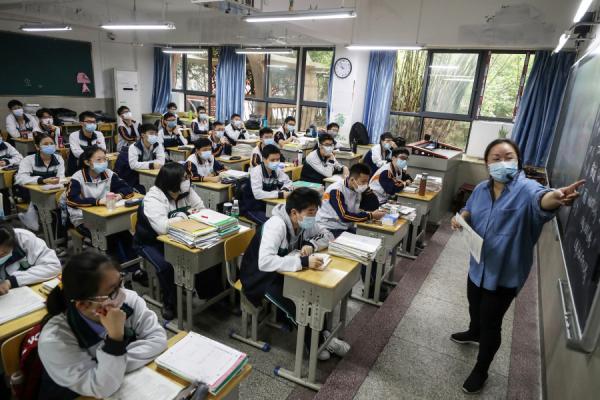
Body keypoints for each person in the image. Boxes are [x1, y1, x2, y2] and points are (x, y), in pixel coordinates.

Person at [449, 138, 584, 394]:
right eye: (495, 158)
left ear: (518, 160)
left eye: (508, 157)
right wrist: (462, 218)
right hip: (477, 265)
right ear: (487, 163)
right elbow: (469, 208)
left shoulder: (527, 189)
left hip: (505, 274)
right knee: (474, 305)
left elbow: (542, 200)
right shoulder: (481, 189)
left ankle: (482, 368)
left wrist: (556, 197)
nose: (502, 163)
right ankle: (473, 331)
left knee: (492, 322)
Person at [38, 251, 167, 399]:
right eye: (112, 292)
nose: (122, 294)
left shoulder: (128, 301)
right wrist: (115, 339)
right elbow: (102, 387)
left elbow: (158, 339)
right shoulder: (55, 341)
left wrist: (111, 366)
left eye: (120, 282)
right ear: (84, 305)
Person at [240, 188, 350, 361]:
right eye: (310, 212)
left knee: (314, 294)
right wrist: (303, 262)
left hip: (285, 271)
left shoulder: (305, 220)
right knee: (299, 302)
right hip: (260, 277)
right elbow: (265, 262)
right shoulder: (276, 225)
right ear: (294, 212)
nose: (314, 218)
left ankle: (323, 334)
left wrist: (312, 245)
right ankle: (314, 343)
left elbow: (328, 235)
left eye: (315, 212)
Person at [134, 162, 214, 320]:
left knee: (206, 253)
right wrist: (184, 216)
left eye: (187, 177)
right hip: (151, 242)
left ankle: (208, 293)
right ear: (171, 181)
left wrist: (184, 218)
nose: (188, 181)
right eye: (184, 178)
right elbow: (162, 228)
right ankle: (170, 302)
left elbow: (202, 209)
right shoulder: (154, 197)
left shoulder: (186, 191)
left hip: (180, 237)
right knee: (167, 266)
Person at [65, 146, 137, 264]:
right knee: (110, 237)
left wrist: (119, 195)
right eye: (99, 160)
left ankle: (133, 268)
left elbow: (127, 189)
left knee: (125, 234)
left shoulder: (108, 173)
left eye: (105, 159)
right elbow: (72, 200)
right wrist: (97, 202)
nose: (103, 163)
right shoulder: (77, 177)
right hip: (83, 219)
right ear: (87, 162)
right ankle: (118, 269)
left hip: (107, 216)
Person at [316, 163, 386, 237]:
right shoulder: (336, 190)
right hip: (330, 228)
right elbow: (344, 216)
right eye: (363, 181)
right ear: (352, 179)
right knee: (362, 242)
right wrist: (370, 216)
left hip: (345, 226)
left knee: (369, 236)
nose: (365, 184)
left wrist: (368, 191)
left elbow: (373, 207)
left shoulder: (357, 188)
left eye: (367, 182)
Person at [15, 133, 65, 231]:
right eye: (46, 144)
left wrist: (59, 182)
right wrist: (41, 180)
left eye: (51, 143)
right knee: (53, 210)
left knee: (61, 207)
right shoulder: (28, 160)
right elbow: (20, 178)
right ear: (37, 147)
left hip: (52, 192)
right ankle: (53, 236)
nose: (50, 146)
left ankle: (59, 237)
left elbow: (61, 178)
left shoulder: (58, 158)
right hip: (31, 193)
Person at [0, 223, 61, 295]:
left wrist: (12, 281)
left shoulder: (24, 238)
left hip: (33, 290)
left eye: (4, 253)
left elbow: (53, 266)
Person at [241, 144, 292, 225]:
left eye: (278, 159)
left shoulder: (276, 170)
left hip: (268, 205)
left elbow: (288, 182)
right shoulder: (256, 172)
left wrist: (284, 190)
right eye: (272, 160)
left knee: (287, 221)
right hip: (252, 207)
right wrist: (280, 194)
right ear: (264, 159)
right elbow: (258, 194)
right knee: (273, 225)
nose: (276, 162)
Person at [114, 123, 165, 194]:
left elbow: (161, 162)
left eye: (156, 134)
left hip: (144, 173)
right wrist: (151, 165)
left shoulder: (158, 145)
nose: (154, 136)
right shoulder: (134, 147)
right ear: (142, 135)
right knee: (141, 189)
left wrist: (145, 164)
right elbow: (133, 165)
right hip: (129, 175)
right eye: (151, 133)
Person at [67, 111, 106, 176]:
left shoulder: (99, 134)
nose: (92, 124)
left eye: (94, 122)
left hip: (95, 165)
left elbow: (103, 150)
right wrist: (95, 156)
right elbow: (77, 153)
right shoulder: (74, 135)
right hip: (78, 167)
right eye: (89, 122)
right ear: (81, 123)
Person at [0, 134, 23, 216]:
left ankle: (7, 215)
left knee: (4, 193)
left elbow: (20, 158)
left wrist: (7, 161)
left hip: (5, 176)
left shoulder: (5, 145)